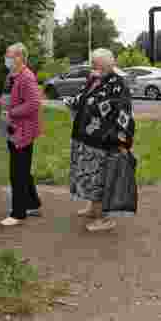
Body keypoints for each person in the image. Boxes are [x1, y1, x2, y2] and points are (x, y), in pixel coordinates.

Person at [63, 48, 136, 233]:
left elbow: (123, 113)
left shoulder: (118, 83)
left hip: (103, 142)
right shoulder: (94, 79)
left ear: (108, 65)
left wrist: (122, 141)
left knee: (102, 179)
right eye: (94, 64)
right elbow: (83, 98)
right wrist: (72, 102)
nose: (94, 68)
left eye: (98, 65)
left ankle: (105, 218)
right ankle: (93, 207)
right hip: (85, 138)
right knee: (89, 177)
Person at [0, 43, 43, 226]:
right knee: (22, 170)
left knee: (17, 172)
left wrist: (11, 113)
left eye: (9, 55)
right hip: (13, 130)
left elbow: (34, 104)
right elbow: (10, 98)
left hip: (22, 132)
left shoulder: (26, 77)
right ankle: (32, 203)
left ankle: (18, 213)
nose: (6, 58)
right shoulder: (13, 75)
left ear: (19, 57)